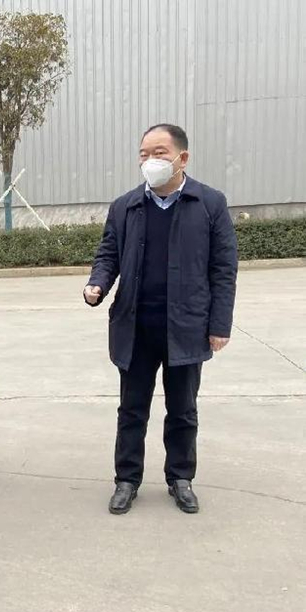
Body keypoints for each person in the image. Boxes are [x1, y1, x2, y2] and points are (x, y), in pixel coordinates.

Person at [84, 123, 238, 515]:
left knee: (183, 410)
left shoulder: (209, 204)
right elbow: (108, 254)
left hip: (186, 327)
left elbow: (223, 269)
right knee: (131, 410)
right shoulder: (125, 206)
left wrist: (219, 324)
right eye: (144, 154)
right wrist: (97, 283)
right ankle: (126, 480)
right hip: (136, 326)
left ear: (182, 158)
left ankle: (180, 478)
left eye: (159, 153)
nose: (150, 161)